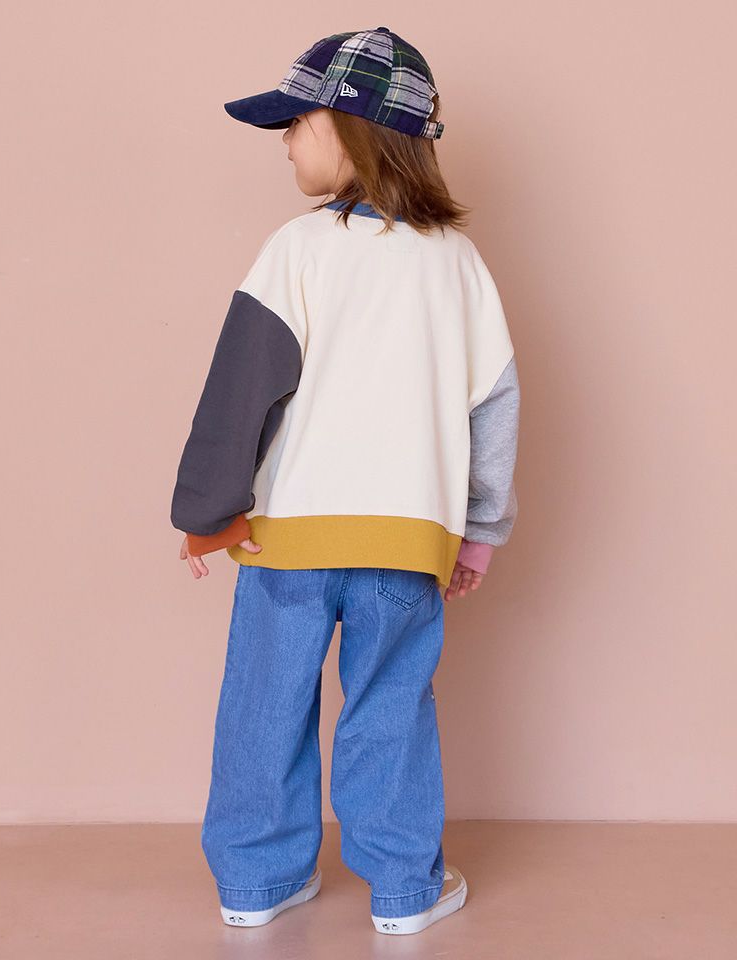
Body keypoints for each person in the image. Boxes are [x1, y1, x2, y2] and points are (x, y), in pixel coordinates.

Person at [170, 26, 520, 936]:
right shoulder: (459, 264)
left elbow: (240, 389)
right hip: (407, 540)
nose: (285, 140)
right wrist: (480, 531)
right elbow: (494, 406)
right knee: (391, 708)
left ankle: (255, 883)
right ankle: (404, 891)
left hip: (290, 537)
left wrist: (208, 509)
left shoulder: (297, 250)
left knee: (264, 706)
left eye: (297, 121)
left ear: (355, 128)